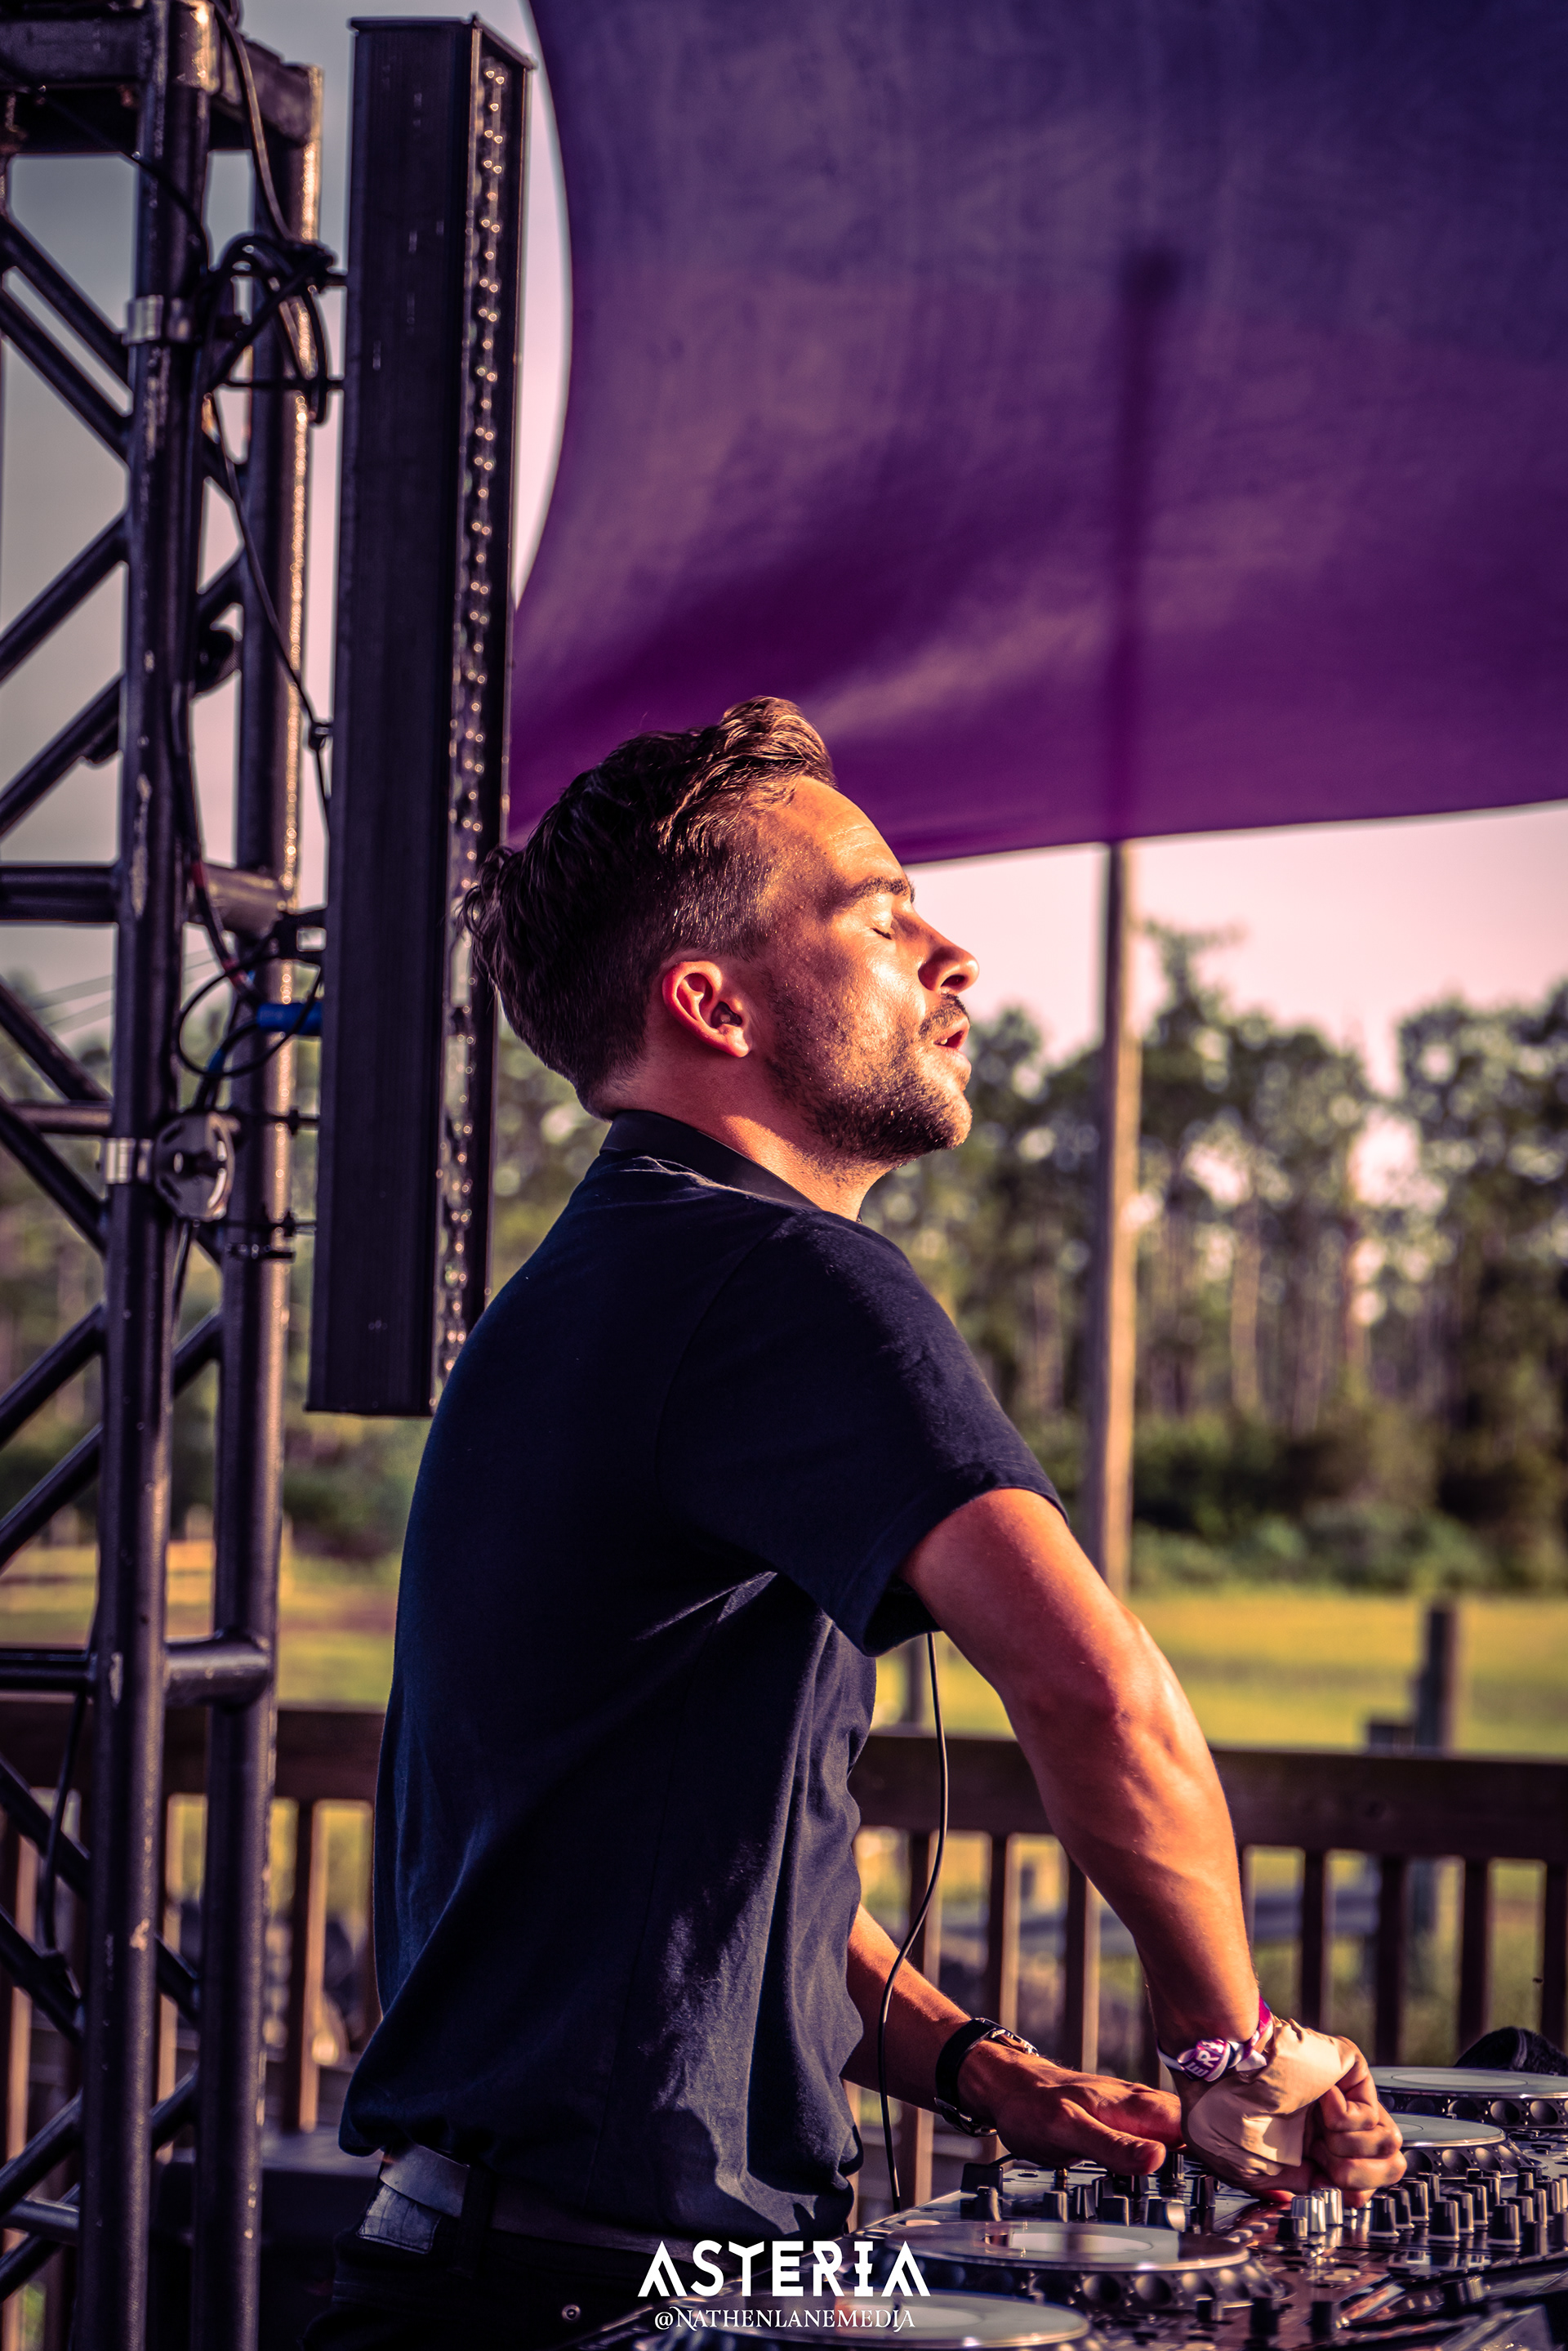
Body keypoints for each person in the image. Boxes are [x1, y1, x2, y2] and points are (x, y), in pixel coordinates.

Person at [310, 700, 1403, 2349]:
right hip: (610, 2293)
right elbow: (1100, 1695)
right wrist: (1233, 2053)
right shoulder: (777, 1274)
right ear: (714, 1004)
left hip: (523, 2268)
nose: (952, 954)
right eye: (883, 920)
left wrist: (983, 2069)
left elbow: (695, 1893)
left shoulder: (610, 1276)